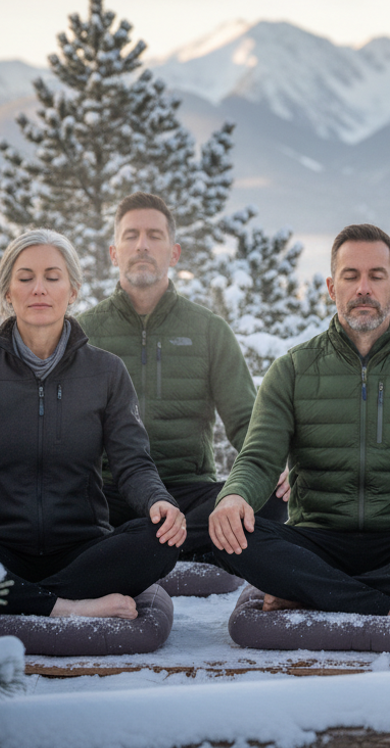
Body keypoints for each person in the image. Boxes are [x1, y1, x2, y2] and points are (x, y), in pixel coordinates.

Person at [207, 224, 390, 620]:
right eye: (351, 276)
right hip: (316, 540)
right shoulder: (293, 370)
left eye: (376, 276)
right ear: (332, 288)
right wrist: (234, 498)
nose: (363, 288)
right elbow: (259, 460)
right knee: (231, 537)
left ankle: (314, 591)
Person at [0, 229, 186, 618]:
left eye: (52, 277)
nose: (39, 288)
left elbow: (133, 463)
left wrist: (159, 502)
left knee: (161, 539)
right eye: (25, 278)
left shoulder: (106, 371)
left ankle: (21, 600)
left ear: (72, 290)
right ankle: (67, 606)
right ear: (8, 291)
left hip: (84, 549)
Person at [77, 192, 287, 555]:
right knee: (61, 508)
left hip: (190, 492)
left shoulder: (208, 329)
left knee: (273, 498)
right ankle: (182, 546)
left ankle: (139, 547)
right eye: (131, 236)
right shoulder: (83, 332)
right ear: (114, 253)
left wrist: (278, 468)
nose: (142, 245)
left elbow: (245, 421)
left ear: (173, 252)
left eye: (154, 236)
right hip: (110, 492)